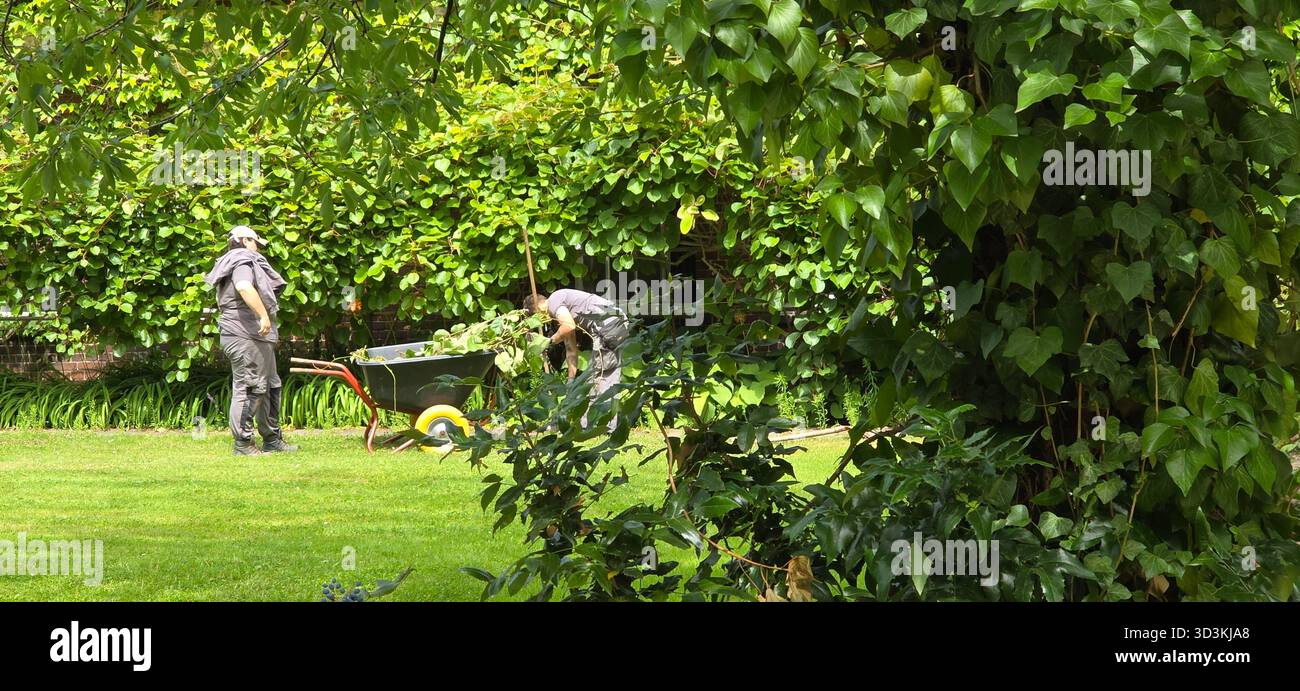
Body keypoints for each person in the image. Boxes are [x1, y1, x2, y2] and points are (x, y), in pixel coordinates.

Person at [203, 225, 298, 455]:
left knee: (270, 385)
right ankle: (243, 444)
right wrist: (263, 314)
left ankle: (272, 440)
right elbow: (244, 287)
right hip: (244, 335)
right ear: (245, 240)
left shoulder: (240, 260)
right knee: (250, 386)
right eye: (255, 242)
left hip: (255, 337)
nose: (258, 248)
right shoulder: (242, 261)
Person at [523, 288, 629, 432]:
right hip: (617, 320)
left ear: (538, 311)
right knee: (609, 377)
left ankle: (589, 426)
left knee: (598, 378)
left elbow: (569, 326)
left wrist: (549, 341)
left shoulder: (554, 301)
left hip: (607, 324)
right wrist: (571, 381)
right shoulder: (564, 307)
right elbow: (571, 350)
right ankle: (608, 425)